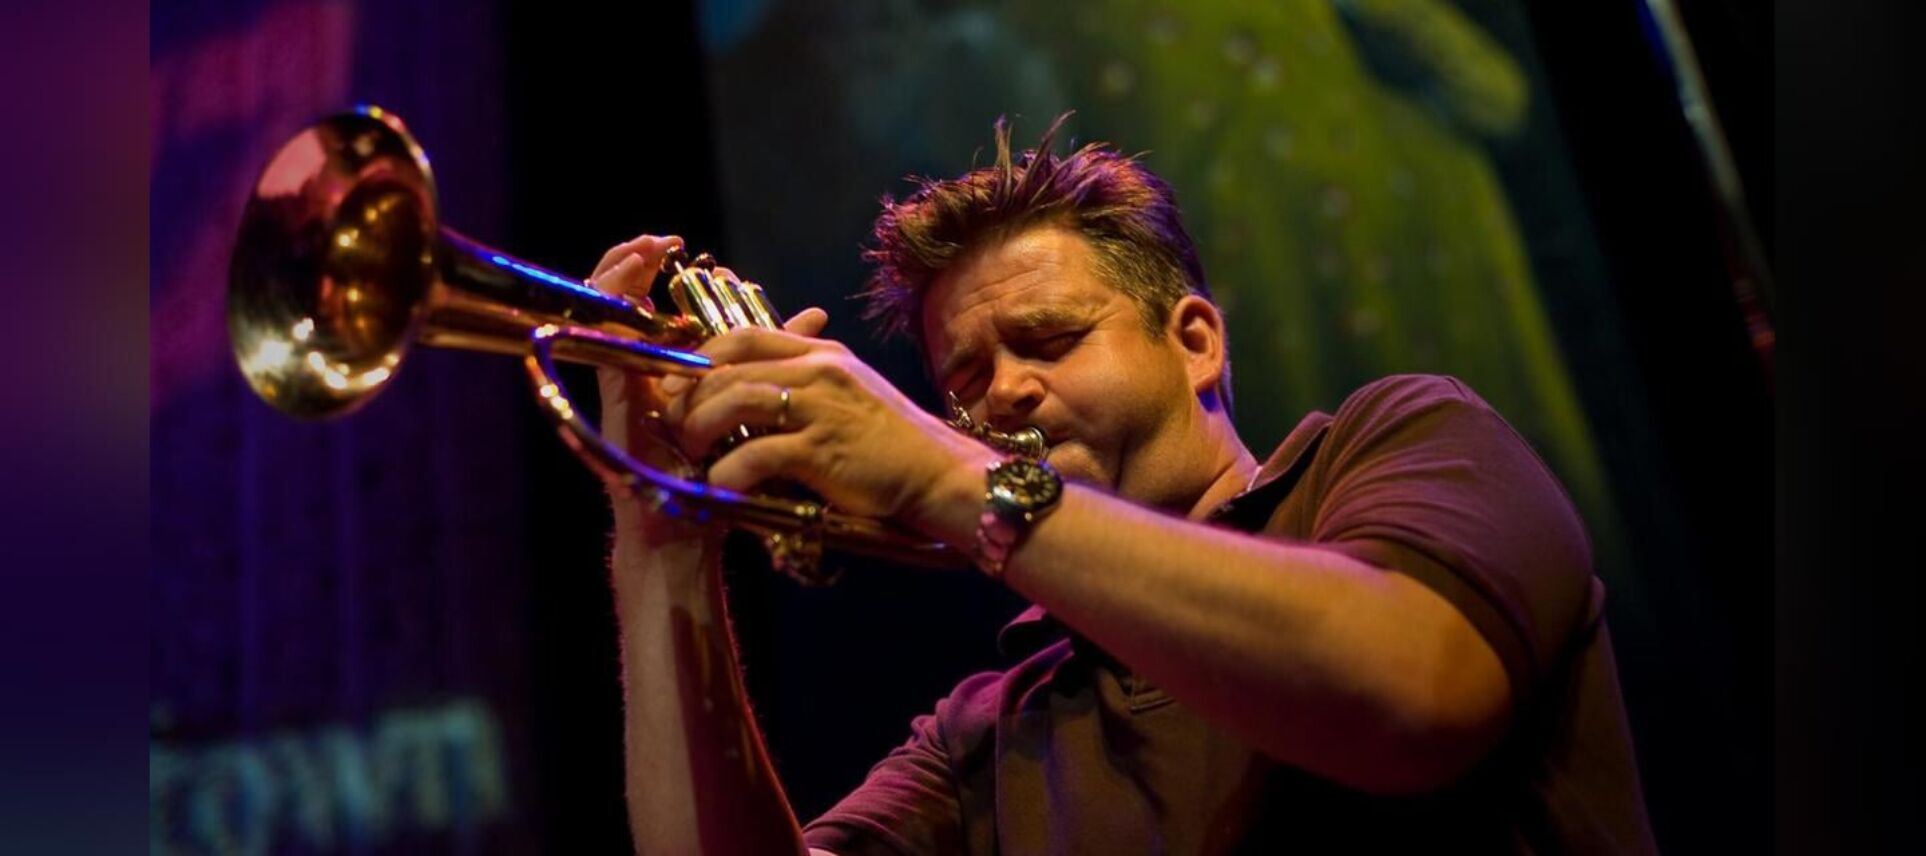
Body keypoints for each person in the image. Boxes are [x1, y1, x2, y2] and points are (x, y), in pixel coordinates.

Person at [584, 118, 1656, 854]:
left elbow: (1411, 693)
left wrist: (939, 465)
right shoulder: (991, 732)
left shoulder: (1402, 441)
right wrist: (656, 532)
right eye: (963, 382)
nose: (1004, 392)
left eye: (1048, 340)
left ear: (1194, 341)